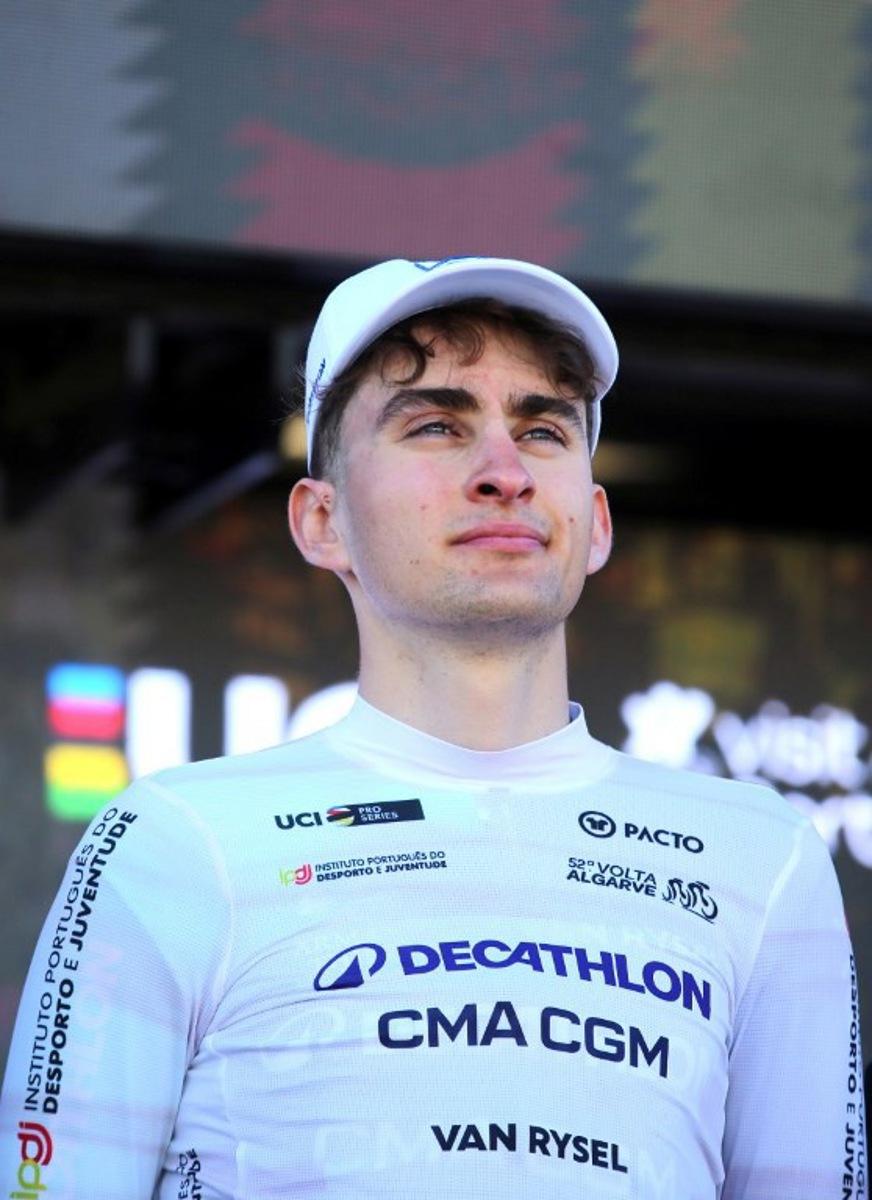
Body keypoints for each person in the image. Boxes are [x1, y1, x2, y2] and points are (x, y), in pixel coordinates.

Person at [0, 256, 864, 1199]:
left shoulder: (761, 856)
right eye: (438, 425)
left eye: (542, 430)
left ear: (597, 520)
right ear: (322, 521)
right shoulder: (173, 839)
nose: (504, 473)